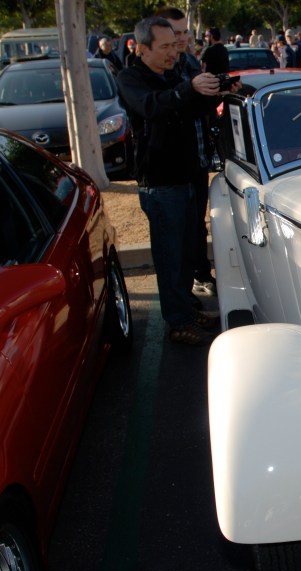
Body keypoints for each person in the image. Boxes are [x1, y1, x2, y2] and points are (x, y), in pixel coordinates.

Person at [117, 16, 225, 344]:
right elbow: (153, 108)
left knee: (185, 254)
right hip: (161, 184)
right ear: (141, 48)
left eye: (174, 46)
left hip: (186, 178)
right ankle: (177, 323)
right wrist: (187, 89)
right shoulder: (131, 78)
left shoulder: (170, 76)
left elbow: (189, 110)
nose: (172, 53)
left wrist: (218, 92)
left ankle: (187, 311)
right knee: (170, 258)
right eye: (165, 46)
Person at [159, 6, 221, 299]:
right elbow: (159, 106)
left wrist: (218, 90)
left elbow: (199, 109)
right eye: (176, 33)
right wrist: (191, 88)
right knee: (178, 237)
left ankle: (199, 276)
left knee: (197, 225)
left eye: (185, 32)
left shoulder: (190, 62)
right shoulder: (159, 70)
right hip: (171, 169)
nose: (182, 38)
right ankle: (186, 296)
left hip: (198, 159)